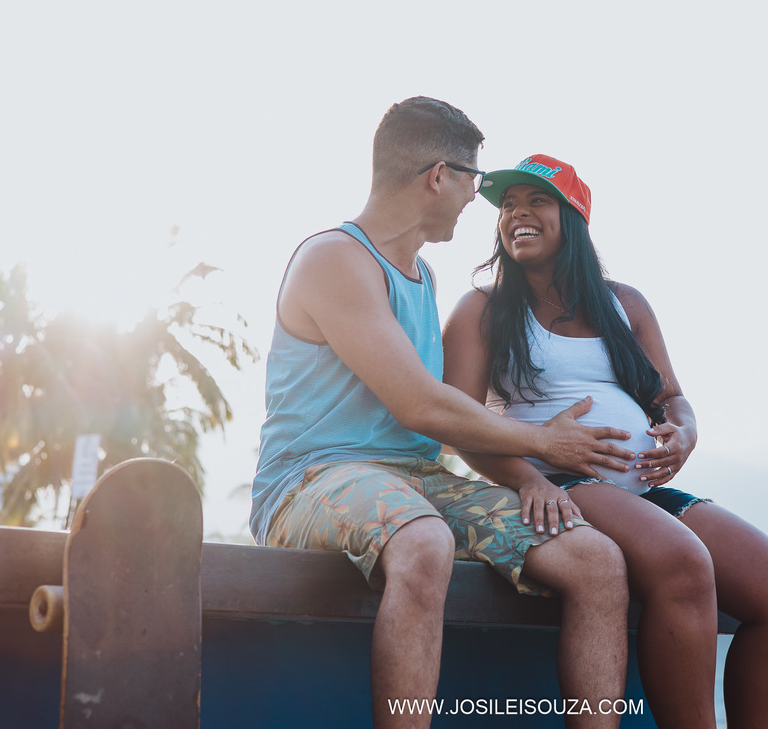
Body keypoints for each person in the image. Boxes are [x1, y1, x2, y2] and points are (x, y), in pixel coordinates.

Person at [251, 102, 635, 729]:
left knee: (595, 561)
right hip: (311, 479)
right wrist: (544, 443)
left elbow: (446, 418)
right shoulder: (335, 258)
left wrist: (528, 472)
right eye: (476, 182)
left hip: (416, 480)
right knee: (424, 539)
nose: (476, 199)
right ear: (438, 175)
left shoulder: (423, 274)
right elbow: (421, 404)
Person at [442, 154, 768, 729]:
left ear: (574, 216)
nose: (518, 213)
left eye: (537, 201)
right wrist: (529, 477)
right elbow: (457, 422)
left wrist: (683, 431)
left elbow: (671, 396)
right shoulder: (483, 309)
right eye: (508, 205)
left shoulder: (626, 304)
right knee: (683, 561)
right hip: (559, 484)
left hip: (638, 493)